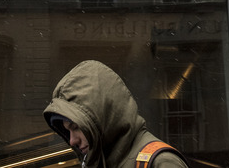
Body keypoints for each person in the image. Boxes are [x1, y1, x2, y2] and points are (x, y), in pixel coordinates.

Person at [43, 60, 189, 168]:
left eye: (75, 127)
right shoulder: (101, 161)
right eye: (67, 131)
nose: (72, 141)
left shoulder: (161, 162)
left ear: (101, 116)